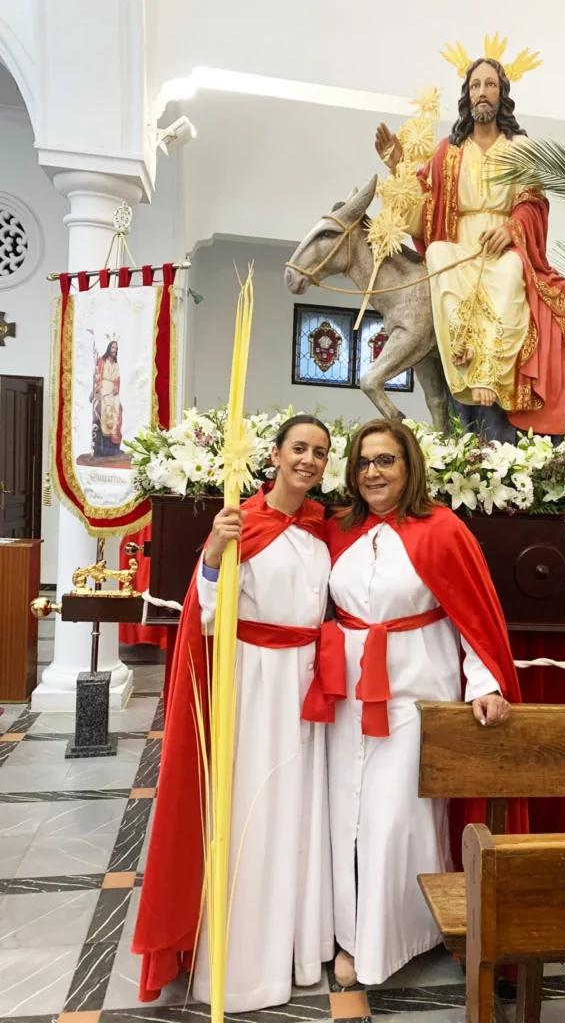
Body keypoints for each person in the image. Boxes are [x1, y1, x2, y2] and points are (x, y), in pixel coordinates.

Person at [302, 419, 525, 987]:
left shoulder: (442, 530)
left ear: (410, 467)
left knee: (392, 820)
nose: (373, 472)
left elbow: (471, 618)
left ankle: (398, 938)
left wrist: (485, 684)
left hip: (414, 704)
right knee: (343, 822)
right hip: (348, 701)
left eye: (386, 461)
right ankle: (350, 938)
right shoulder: (340, 531)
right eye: (363, 462)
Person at [132, 415, 335, 1012]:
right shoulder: (242, 523)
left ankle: (299, 947)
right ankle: (245, 964)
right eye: (299, 448)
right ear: (274, 455)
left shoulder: (325, 529)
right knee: (253, 809)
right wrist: (217, 551)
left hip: (305, 683)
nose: (309, 460)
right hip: (255, 683)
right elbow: (208, 614)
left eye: (320, 452)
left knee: (299, 812)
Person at [375, 47, 565, 440]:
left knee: (511, 272)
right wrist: (397, 165)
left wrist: (512, 229)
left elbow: (533, 201)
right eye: (475, 84)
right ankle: (464, 367)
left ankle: (490, 375)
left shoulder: (520, 147)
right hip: (459, 242)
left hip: (502, 244)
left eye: (490, 84)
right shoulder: (448, 150)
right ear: (467, 94)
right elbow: (424, 203)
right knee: (439, 255)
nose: (482, 91)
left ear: (501, 94)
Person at [91, 338, 123, 456]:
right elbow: (97, 376)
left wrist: (116, 387)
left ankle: (113, 434)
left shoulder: (116, 365)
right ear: (109, 348)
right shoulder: (102, 361)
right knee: (106, 408)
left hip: (113, 390)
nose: (115, 350)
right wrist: (98, 388)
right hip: (103, 387)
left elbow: (117, 379)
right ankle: (105, 435)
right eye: (113, 347)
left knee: (117, 408)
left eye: (116, 348)